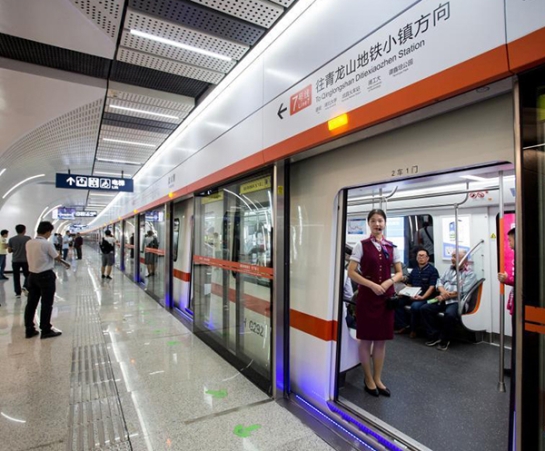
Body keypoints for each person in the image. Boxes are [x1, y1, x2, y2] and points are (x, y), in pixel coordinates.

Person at [348, 209, 403, 397]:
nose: (377, 224)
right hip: (367, 298)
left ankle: (378, 378)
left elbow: (399, 273)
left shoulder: (391, 247)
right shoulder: (361, 245)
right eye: (373, 221)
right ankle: (368, 378)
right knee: (366, 340)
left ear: (385, 223)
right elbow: (352, 272)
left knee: (380, 341)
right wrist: (371, 285)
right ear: (369, 224)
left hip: (385, 298)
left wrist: (389, 282)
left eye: (380, 220)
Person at [420, 250, 477, 351]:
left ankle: (444, 340)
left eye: (455, 257)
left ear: (464, 260)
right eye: (452, 256)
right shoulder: (449, 270)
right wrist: (443, 293)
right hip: (442, 298)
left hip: (457, 301)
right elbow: (439, 282)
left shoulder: (470, 274)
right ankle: (434, 335)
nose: (452, 259)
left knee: (450, 315)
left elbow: (462, 291)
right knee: (425, 308)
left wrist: (444, 296)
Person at [24, 221, 68, 339]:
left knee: (31, 303)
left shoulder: (29, 242)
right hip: (45, 276)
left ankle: (29, 329)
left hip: (32, 276)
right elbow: (56, 257)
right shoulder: (46, 244)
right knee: (47, 303)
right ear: (48, 231)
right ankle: (45, 329)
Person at [394, 249, 439, 337]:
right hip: (413, 294)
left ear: (427, 258)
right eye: (419, 256)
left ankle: (413, 329)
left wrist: (423, 297)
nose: (420, 258)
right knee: (396, 302)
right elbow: (410, 284)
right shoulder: (415, 270)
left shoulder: (432, 270)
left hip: (426, 296)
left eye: (423, 256)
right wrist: (404, 292)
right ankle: (404, 325)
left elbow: (432, 287)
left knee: (415, 306)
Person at [8, 224, 31, 298]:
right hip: (25, 260)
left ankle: (18, 293)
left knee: (16, 276)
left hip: (15, 260)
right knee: (28, 275)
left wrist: (14, 249)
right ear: (24, 230)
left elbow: (9, 250)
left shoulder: (11, 239)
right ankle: (25, 286)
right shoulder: (28, 238)